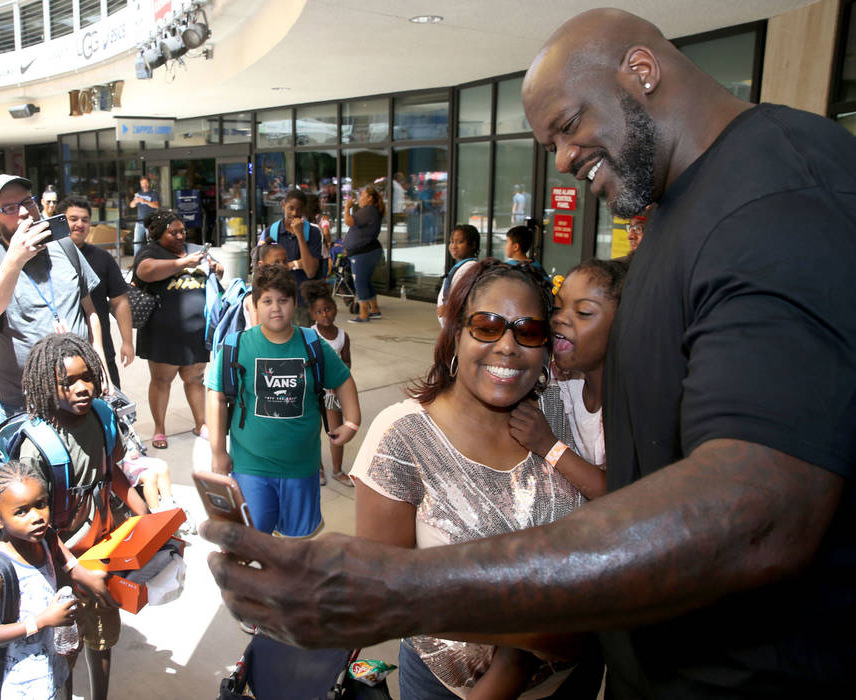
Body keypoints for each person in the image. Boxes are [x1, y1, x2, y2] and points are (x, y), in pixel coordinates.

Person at [201, 9, 856, 698]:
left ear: (641, 71)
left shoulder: (778, 194)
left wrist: (404, 588)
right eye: (552, 146)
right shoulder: (678, 207)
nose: (566, 161)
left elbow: (759, 511)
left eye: (569, 125)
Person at [354, 258, 587, 699]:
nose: (507, 346)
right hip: (449, 688)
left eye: (528, 331)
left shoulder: (560, 412)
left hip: (570, 681)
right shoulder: (403, 436)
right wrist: (527, 640)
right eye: (487, 325)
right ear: (456, 333)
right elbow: (382, 594)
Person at [16, 333, 148, 700]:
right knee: (66, 648)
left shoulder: (103, 417)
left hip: (104, 550)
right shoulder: (37, 447)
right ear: (46, 385)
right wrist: (76, 571)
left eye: (87, 377)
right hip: (59, 563)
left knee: (103, 637)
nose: (82, 388)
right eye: (68, 382)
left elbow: (113, 472)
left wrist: (147, 518)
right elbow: (35, 526)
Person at [205, 264, 360, 537]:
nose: (275, 308)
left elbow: (343, 380)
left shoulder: (313, 344)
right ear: (254, 305)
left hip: (301, 467)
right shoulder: (237, 346)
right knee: (254, 538)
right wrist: (218, 451)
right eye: (267, 301)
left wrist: (352, 422)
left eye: (283, 300)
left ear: (294, 303)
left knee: (297, 543)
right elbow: (216, 397)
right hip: (251, 466)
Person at [0, 174, 104, 419]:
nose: (23, 212)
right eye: (9, 207)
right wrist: (16, 258)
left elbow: (90, 311)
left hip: (81, 398)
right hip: (24, 408)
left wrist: (101, 370)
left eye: (27, 202)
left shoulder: (65, 247)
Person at [513, 258, 630, 501]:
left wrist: (549, 446)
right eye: (557, 307)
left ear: (623, 325)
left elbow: (618, 492)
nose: (559, 319)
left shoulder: (634, 402)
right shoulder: (564, 382)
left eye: (583, 312)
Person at [0, 460, 75, 700]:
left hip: (51, 666)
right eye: (22, 511)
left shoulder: (44, 541)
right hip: (22, 683)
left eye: (41, 505)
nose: (37, 517)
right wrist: (41, 621)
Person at [132, 209, 222, 449]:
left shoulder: (195, 249)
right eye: (173, 233)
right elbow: (145, 271)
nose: (180, 236)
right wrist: (184, 263)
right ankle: (159, 429)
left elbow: (216, 273)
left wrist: (216, 268)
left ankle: (200, 423)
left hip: (196, 331)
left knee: (195, 379)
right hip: (163, 333)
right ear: (158, 233)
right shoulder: (150, 252)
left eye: (183, 231)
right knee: (162, 380)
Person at [56, 196, 135, 389]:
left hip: (99, 350)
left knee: (109, 407)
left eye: (85, 220)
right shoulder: (47, 257)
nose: (79, 224)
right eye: (73, 219)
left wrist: (127, 341)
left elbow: (120, 301)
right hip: (60, 353)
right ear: (60, 220)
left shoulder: (102, 258)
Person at [301, 280, 352, 487]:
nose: (325, 315)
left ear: (336, 309)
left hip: (333, 393)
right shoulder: (309, 334)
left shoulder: (342, 336)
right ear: (313, 315)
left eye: (328, 309)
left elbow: (346, 362)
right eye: (319, 312)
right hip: (314, 391)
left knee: (335, 430)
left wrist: (337, 380)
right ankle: (318, 468)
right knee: (313, 431)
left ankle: (337, 470)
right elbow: (303, 360)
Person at [258, 189, 324, 325]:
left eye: (299, 209)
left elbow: (311, 271)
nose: (294, 213)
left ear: (304, 209)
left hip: (302, 302)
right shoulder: (271, 231)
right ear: (283, 205)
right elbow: (263, 267)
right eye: (291, 208)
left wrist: (300, 235)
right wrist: (297, 263)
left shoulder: (313, 232)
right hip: (277, 299)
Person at [342, 185, 385, 323]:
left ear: (369, 198)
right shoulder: (370, 211)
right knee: (365, 281)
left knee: (360, 282)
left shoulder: (368, 210)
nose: (359, 198)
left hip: (363, 253)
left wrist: (347, 207)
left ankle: (363, 314)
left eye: (362, 195)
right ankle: (374, 309)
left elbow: (349, 221)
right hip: (366, 251)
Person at [436, 224, 480, 327]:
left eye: (459, 242)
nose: (453, 246)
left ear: (473, 245)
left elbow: (466, 297)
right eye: (451, 241)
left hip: (458, 325)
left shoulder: (470, 268)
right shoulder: (463, 266)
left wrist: (449, 309)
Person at [130, 176, 159, 257]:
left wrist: (145, 201)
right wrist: (135, 201)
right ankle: (137, 261)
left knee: (151, 242)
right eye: (142, 183)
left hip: (150, 222)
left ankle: (152, 259)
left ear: (149, 183)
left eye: (146, 183)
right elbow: (131, 205)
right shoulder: (138, 194)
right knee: (136, 242)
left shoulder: (153, 193)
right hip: (139, 222)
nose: (144, 185)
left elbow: (156, 206)